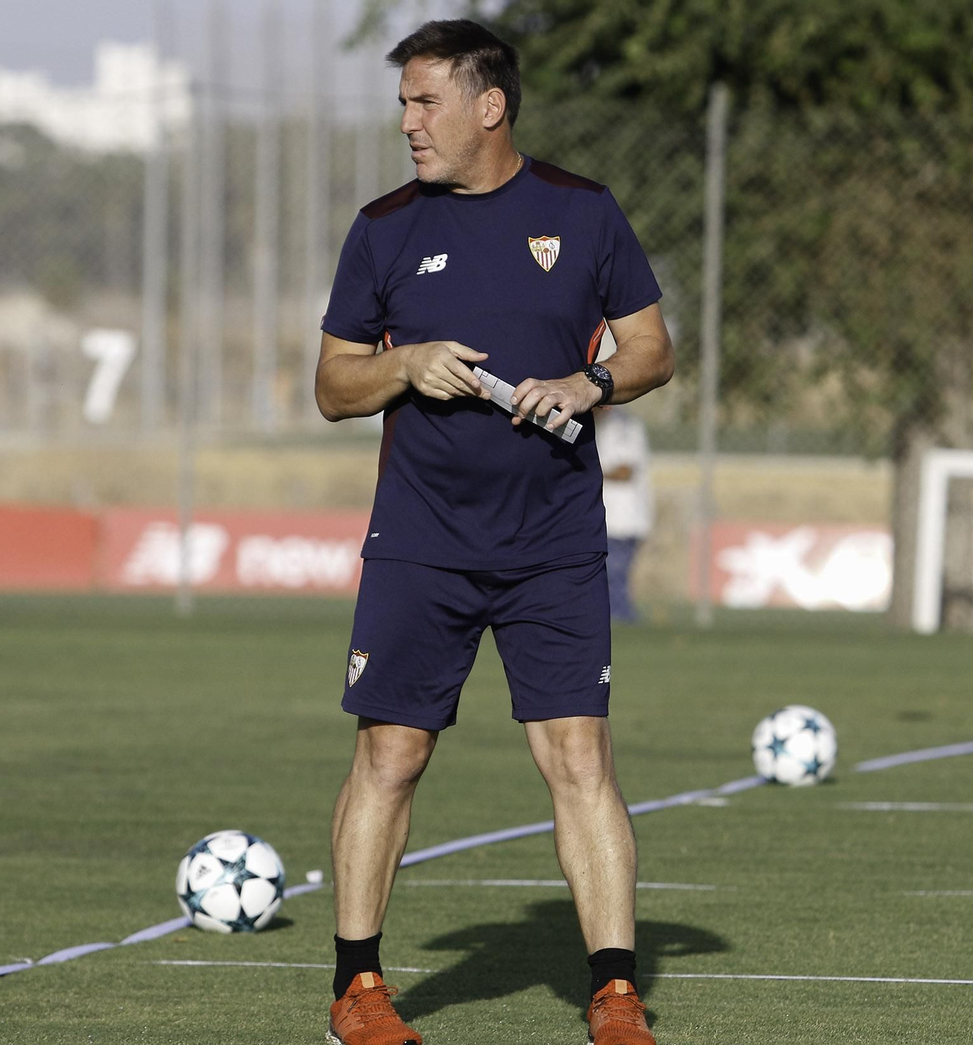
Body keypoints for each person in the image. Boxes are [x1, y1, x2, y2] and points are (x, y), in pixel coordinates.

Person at [314, 18, 674, 1045]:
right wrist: (404, 363)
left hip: (555, 541)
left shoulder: (582, 212)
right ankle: (360, 990)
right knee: (390, 753)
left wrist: (586, 380)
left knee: (578, 758)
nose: (408, 122)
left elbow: (652, 348)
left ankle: (612, 992)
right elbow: (333, 386)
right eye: (403, 102)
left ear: (490, 106)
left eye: (426, 102)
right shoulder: (382, 227)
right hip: (420, 541)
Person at [595, 404, 654, 622]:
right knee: (608, 577)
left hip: (623, 518)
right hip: (606, 518)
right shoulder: (599, 426)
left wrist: (587, 472)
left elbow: (624, 470)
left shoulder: (624, 426)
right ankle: (618, 619)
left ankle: (621, 619)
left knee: (614, 575)